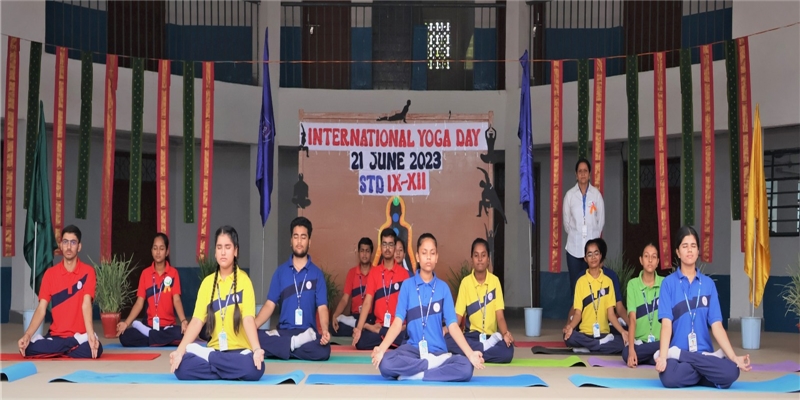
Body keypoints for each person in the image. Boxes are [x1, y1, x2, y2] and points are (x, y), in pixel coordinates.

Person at [372, 233, 484, 381]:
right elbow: (397, 323)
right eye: (424, 253)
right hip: (412, 350)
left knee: (466, 367)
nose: (428, 257)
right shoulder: (407, 286)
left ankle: (417, 374)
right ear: (417, 257)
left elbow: (453, 326)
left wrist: (470, 354)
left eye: (432, 253)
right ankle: (429, 366)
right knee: (385, 363)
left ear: (437, 257)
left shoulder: (443, 288)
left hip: (438, 353)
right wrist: (381, 349)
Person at [655, 226, 751, 388]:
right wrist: (664, 357)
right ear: (678, 252)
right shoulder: (668, 284)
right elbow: (666, 325)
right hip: (680, 359)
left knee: (732, 371)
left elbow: (717, 326)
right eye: (685, 246)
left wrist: (734, 357)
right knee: (669, 377)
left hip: (703, 353)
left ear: (698, 250)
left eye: (693, 246)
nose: (689, 250)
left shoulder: (708, 284)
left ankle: (686, 361)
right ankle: (706, 374)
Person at [170, 226, 264, 380]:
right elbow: (196, 321)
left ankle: (209, 359)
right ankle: (225, 368)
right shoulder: (207, 283)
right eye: (219, 247)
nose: (223, 252)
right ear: (215, 252)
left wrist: (256, 349)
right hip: (215, 348)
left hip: (239, 352)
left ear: (235, 251)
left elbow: (248, 319)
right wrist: (179, 351)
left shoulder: (244, 281)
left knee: (254, 369)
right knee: (181, 368)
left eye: (228, 247)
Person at [17, 225, 102, 359]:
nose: (68, 247)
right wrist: (27, 335)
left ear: (79, 247)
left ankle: (60, 349)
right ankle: (71, 346)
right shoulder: (50, 274)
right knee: (27, 348)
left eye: (73, 242)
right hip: (56, 336)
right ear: (60, 246)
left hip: (80, 335)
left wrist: (90, 334)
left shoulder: (88, 272)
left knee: (96, 348)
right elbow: (41, 309)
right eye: (65, 242)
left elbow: (86, 304)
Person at [255, 217, 331, 361]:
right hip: (284, 332)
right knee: (255, 338)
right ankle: (293, 344)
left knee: (324, 350)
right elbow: (269, 305)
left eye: (303, 237)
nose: (299, 241)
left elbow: (322, 308)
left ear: (309, 241)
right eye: (296, 237)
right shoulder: (280, 272)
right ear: (291, 241)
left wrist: (325, 330)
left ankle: (283, 348)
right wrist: (254, 326)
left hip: (308, 334)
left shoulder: (317, 274)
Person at [445, 238, 514, 363]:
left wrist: (505, 334)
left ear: (488, 259)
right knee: (447, 340)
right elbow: (458, 316)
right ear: (472, 259)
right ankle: (482, 348)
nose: (480, 259)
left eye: (483, 255)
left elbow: (500, 317)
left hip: (490, 337)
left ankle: (471, 353)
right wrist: (446, 329)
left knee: (508, 351)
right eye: (476, 255)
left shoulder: (495, 281)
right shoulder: (466, 283)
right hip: (471, 337)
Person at [118, 233, 188, 347]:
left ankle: (149, 335)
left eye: (161, 248)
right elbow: (139, 303)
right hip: (149, 325)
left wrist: (184, 321)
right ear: (151, 251)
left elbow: (176, 300)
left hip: (168, 327)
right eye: (155, 248)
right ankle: (159, 338)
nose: (158, 252)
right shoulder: (145, 274)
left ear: (167, 252)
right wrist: (126, 323)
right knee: (124, 337)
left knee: (181, 334)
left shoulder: (173, 273)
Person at [563, 238, 627, 354]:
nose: (593, 257)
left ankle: (587, 347)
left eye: (596, 253)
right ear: (585, 259)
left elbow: (611, 314)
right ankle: (598, 345)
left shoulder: (608, 281)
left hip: (603, 333)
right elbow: (577, 313)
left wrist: (623, 331)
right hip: (585, 333)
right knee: (569, 337)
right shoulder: (581, 281)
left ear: (601, 256)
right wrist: (570, 327)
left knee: (622, 342)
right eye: (589, 254)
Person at [353, 229, 410, 350]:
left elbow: (409, 305)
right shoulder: (374, 272)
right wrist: (359, 328)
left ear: (394, 247)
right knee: (360, 342)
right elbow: (367, 302)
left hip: (397, 327)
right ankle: (388, 339)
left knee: (408, 338)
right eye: (384, 244)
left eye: (390, 244)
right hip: (379, 325)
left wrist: (405, 326)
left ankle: (383, 335)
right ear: (381, 247)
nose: (387, 248)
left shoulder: (404, 274)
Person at [563, 158, 605, 297]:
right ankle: (576, 311)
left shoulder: (596, 195)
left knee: (593, 285)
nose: (582, 174)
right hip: (574, 250)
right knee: (576, 287)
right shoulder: (569, 196)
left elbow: (600, 222)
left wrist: (592, 238)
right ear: (576, 175)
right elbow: (567, 224)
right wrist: (578, 235)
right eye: (580, 171)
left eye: (585, 171)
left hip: (592, 251)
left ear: (589, 174)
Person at [624, 242, 663, 367]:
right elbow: (632, 319)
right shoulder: (633, 284)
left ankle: (653, 355)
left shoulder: (665, 283)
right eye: (646, 256)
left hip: (660, 341)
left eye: (654, 257)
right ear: (641, 260)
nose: (650, 260)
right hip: (640, 342)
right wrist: (631, 350)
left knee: (668, 344)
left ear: (658, 261)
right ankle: (658, 356)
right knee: (626, 353)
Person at [331, 237, 374, 337]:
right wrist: (335, 315)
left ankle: (361, 327)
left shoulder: (376, 272)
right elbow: (345, 299)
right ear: (358, 253)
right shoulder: (352, 273)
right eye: (362, 251)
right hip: (355, 316)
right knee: (333, 327)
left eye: (367, 251)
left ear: (371, 253)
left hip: (371, 317)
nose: (364, 254)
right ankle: (362, 328)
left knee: (376, 328)